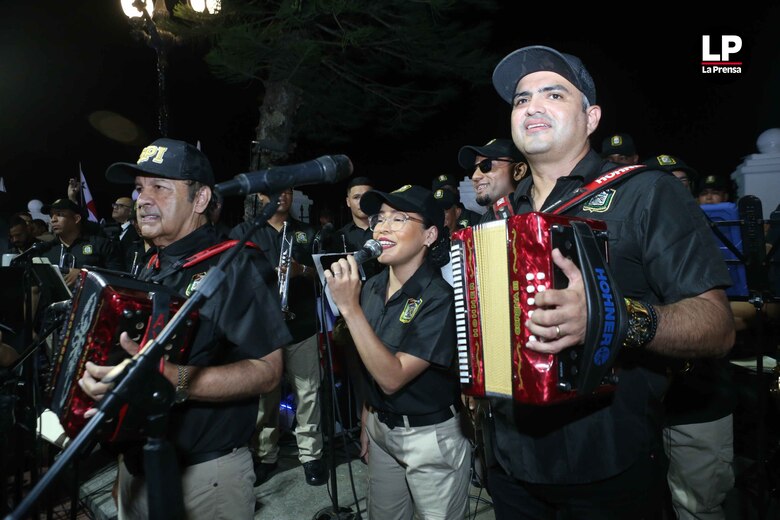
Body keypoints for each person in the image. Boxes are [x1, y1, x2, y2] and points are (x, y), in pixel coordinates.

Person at [484, 44, 735, 518]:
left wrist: (612, 316)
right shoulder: (499, 216)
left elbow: (717, 326)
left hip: (608, 467)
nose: (532, 105)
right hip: (510, 467)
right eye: (521, 100)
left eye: (553, 94)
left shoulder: (645, 193)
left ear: (591, 117)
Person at [79, 137, 290, 519]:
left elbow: (268, 372)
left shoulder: (235, 265)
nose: (143, 199)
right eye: (140, 188)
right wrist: (127, 470)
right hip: (139, 470)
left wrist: (173, 378)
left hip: (205, 480)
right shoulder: (152, 265)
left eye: (160, 187)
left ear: (201, 199)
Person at [326, 184, 471, 520]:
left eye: (399, 218)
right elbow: (366, 360)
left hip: (428, 438)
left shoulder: (440, 299)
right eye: (380, 219)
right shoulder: (372, 287)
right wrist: (367, 415)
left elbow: (392, 377)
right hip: (380, 429)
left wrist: (349, 308)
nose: (382, 227)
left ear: (429, 235)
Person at [230, 187, 328, 487]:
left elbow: (323, 276)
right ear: (259, 197)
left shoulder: (307, 232)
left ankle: (311, 456)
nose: (280, 197)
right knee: (265, 397)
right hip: (262, 330)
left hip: (301, 325)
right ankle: (266, 456)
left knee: (308, 392)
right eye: (271, 193)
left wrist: (302, 270)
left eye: (286, 192)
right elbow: (232, 276)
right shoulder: (245, 231)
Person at [40, 198, 124, 287]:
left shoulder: (101, 245)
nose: (53, 220)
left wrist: (85, 275)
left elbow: (118, 277)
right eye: (51, 215)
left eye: (59, 214)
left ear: (76, 219)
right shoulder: (46, 250)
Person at [457, 137, 528, 224]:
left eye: (486, 165)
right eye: (472, 170)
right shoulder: (483, 222)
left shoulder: (541, 211)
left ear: (518, 171)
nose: (475, 176)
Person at [333, 176, 383, 278]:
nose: (362, 201)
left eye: (366, 196)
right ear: (348, 202)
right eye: (356, 197)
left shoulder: (386, 230)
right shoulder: (339, 236)